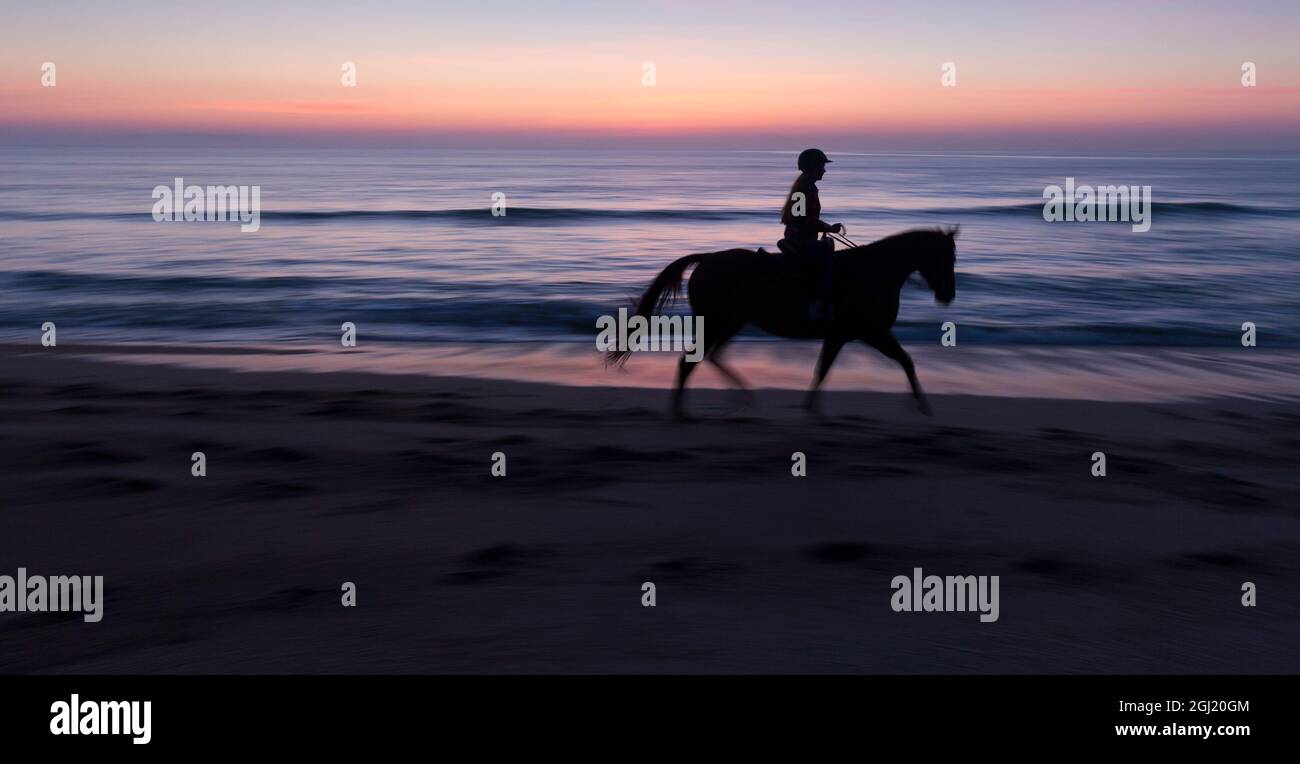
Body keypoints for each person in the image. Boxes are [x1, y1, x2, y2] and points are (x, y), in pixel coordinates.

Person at [778, 148, 843, 322]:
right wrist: (829, 229)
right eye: (822, 166)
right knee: (829, 266)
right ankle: (817, 306)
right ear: (813, 167)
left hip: (802, 237)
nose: (824, 170)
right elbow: (801, 218)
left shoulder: (805, 186)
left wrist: (826, 228)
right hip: (800, 241)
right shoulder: (804, 188)